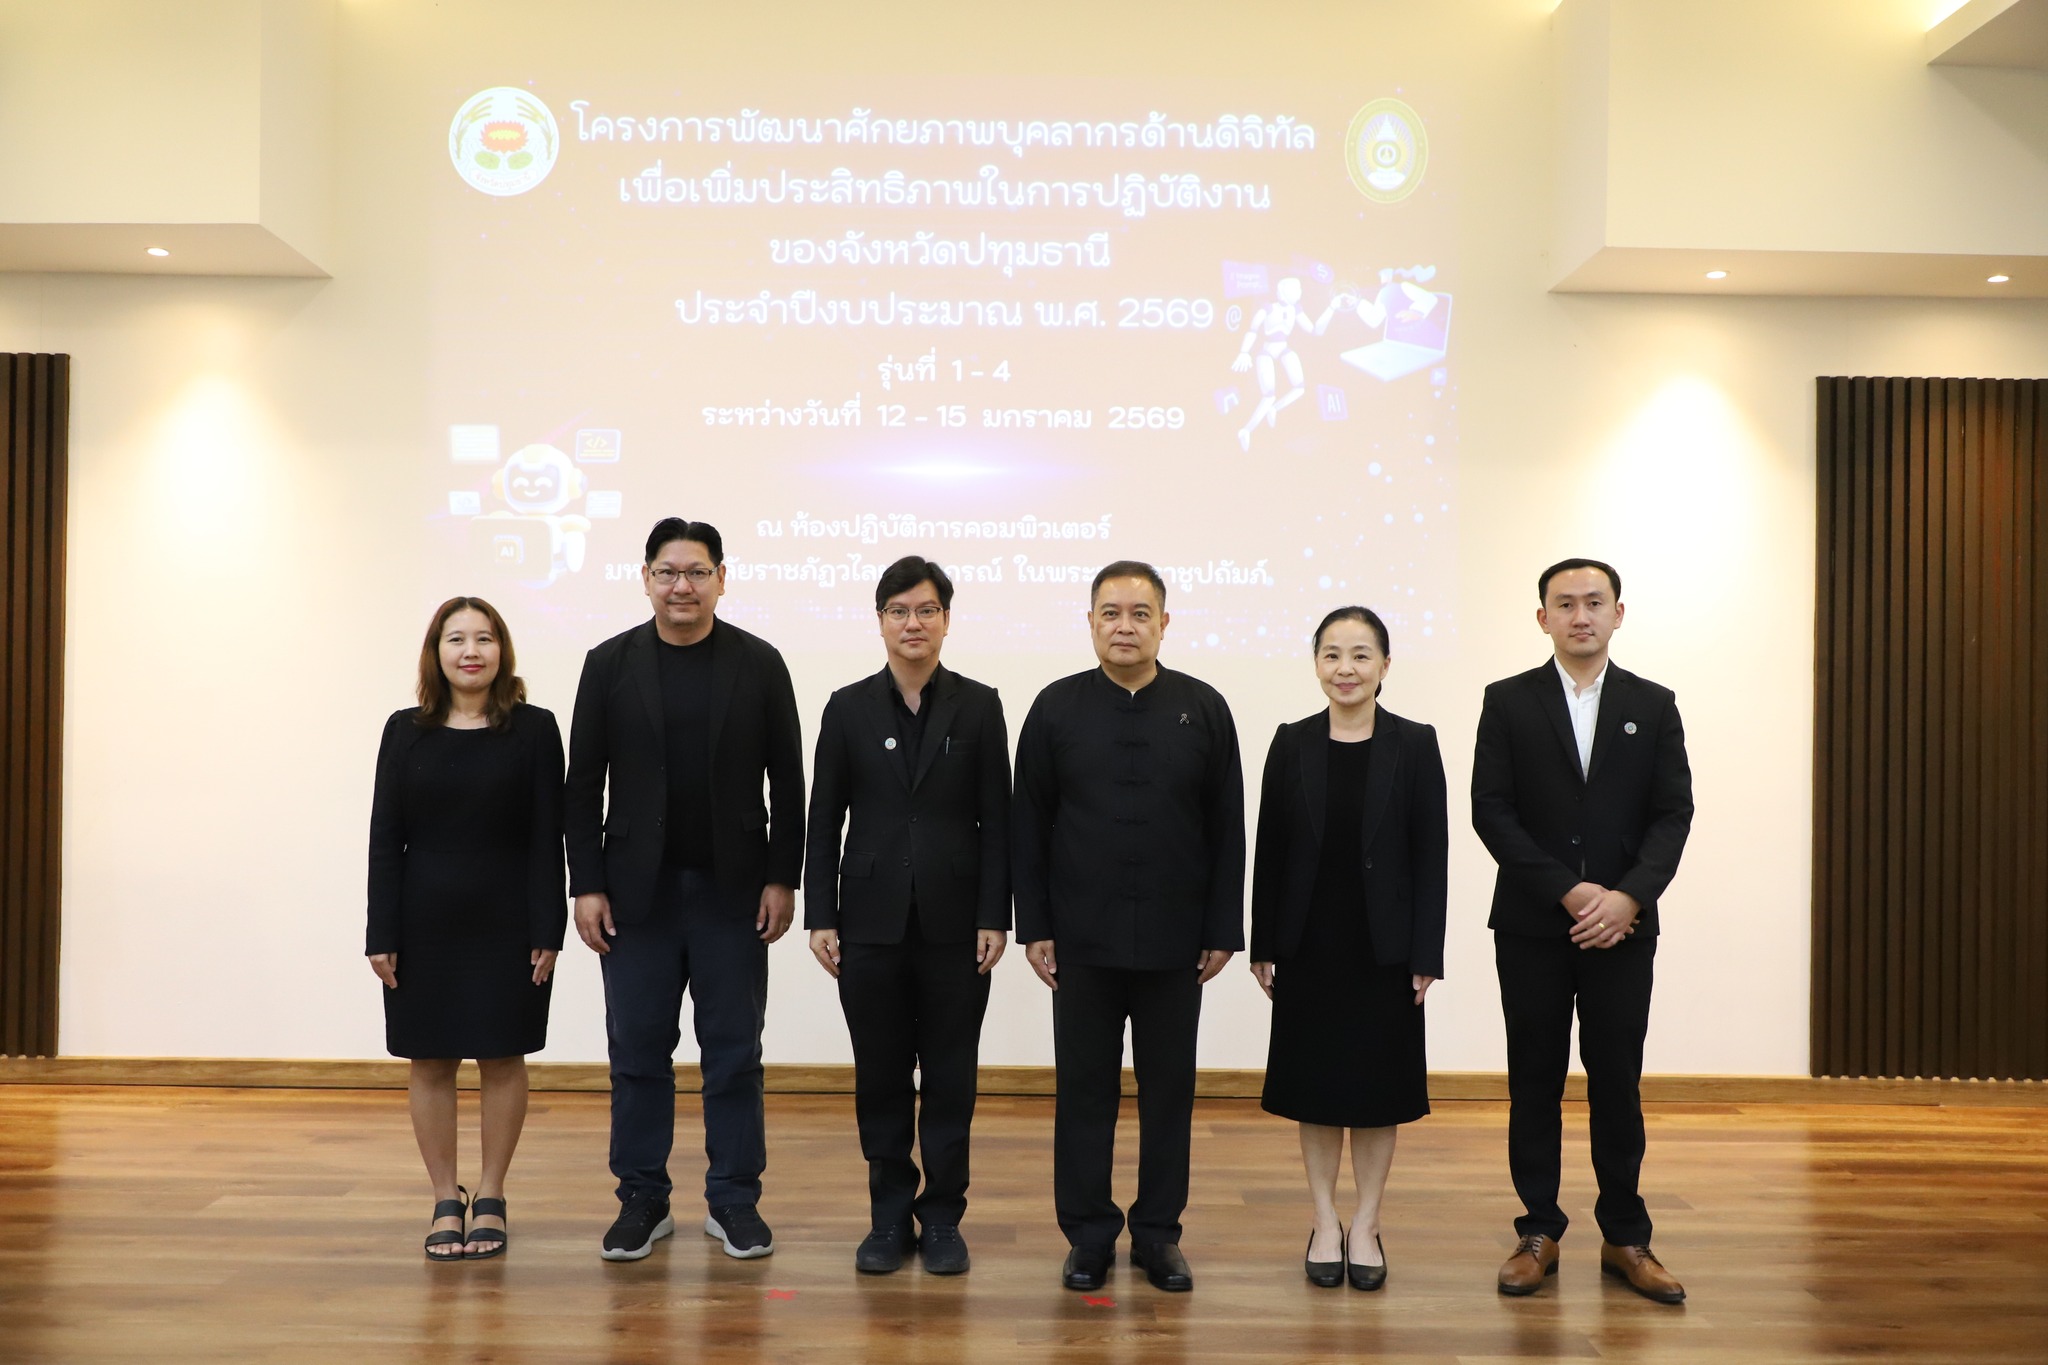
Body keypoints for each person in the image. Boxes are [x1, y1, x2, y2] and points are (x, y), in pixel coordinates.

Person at [565, 518, 805, 1263]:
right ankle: (642, 1199)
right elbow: (583, 786)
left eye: (697, 572)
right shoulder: (608, 664)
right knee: (638, 1051)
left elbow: (789, 781)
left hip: (735, 893)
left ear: (722, 579)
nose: (682, 586)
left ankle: (734, 1200)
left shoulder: (759, 663)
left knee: (734, 1052)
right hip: (636, 896)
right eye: (668, 572)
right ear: (645, 578)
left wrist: (782, 876)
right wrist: (586, 884)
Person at [1013, 560, 1245, 1294]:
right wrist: (1034, 925)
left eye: (1140, 613)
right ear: (1089, 622)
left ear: (1163, 624)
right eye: (1110, 613)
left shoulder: (1203, 707)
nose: (1124, 626)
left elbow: (1227, 827)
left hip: (1178, 941)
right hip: (1080, 940)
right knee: (1084, 1091)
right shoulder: (1055, 708)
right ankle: (1087, 1236)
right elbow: (1029, 825)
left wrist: (1222, 927)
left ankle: (1157, 1234)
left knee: (1168, 1092)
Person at [1472, 558, 1693, 1304]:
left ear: (1618, 613)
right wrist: (1567, 891)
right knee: (1533, 1078)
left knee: (1616, 1080)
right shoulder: (1508, 701)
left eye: (1594, 602)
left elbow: (1672, 813)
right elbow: (1491, 810)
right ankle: (1538, 1229)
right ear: (1542, 618)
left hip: (1624, 930)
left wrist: (1628, 898)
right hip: (1533, 925)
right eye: (1564, 604)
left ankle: (1626, 1234)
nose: (1580, 615)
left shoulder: (1653, 704)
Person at [804, 556, 1012, 1276]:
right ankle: (888, 1216)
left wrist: (995, 913)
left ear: (946, 620)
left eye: (926, 610)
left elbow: (999, 818)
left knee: (952, 1077)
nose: (912, 623)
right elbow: (824, 819)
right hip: (869, 923)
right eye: (898, 611)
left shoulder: (979, 705)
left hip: (958, 926)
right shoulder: (847, 707)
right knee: (881, 1075)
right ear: (880, 621)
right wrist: (821, 914)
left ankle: (944, 1216)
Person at [1250, 606, 1447, 1291]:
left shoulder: (1415, 743)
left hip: (1384, 948)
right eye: (1332, 654)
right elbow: (1270, 849)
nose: (1346, 668)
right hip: (1309, 943)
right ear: (1316, 663)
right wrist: (1263, 942)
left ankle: (1367, 1221)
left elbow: (1431, 853)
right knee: (1316, 1089)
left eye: (1361, 654)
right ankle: (1324, 1220)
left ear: (1385, 665)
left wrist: (1426, 953)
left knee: (1377, 1091)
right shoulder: (1291, 741)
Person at [366, 596, 565, 1262]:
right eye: (456, 638)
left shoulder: (535, 729)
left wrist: (549, 926)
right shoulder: (404, 730)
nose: (471, 651)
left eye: (484, 638)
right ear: (437, 652)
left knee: (503, 1056)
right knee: (430, 1059)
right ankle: (444, 1199)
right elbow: (385, 836)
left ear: (502, 650)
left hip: (509, 919)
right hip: (423, 920)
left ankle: (493, 1193)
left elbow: (549, 838)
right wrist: (381, 930)